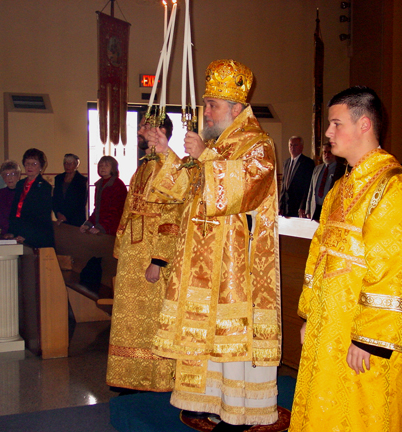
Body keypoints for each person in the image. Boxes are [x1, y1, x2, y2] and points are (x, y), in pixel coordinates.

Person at [290, 86, 402, 431]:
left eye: (336, 123)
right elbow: (320, 255)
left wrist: (368, 337)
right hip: (329, 326)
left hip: (364, 334)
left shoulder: (395, 186)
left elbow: (397, 266)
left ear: (364, 125)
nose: (328, 133)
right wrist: (311, 315)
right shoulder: (340, 188)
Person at [148, 59, 280, 430]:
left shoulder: (258, 144)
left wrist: (205, 157)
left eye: (212, 105)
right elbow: (184, 190)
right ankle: (203, 402)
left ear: (236, 109)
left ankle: (237, 412)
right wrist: (167, 153)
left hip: (234, 266)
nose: (206, 111)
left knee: (229, 338)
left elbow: (245, 190)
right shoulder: (215, 144)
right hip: (201, 261)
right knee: (202, 335)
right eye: (206, 104)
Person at [106, 114, 181, 393]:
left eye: (145, 126)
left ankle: (153, 377)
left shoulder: (170, 167)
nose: (140, 130)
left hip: (151, 254)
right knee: (128, 319)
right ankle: (129, 376)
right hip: (132, 255)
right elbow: (129, 210)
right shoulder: (144, 166)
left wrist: (158, 261)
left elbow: (172, 217)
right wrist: (121, 247)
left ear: (160, 131)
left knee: (151, 319)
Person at [8, 148, 54, 248]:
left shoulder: (44, 187)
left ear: (41, 167)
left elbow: (41, 216)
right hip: (19, 231)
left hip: (37, 235)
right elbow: (14, 210)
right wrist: (12, 231)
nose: (30, 167)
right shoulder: (20, 184)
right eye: (27, 164)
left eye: (34, 164)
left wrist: (26, 234)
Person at [80, 156, 127, 236]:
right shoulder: (100, 184)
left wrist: (102, 227)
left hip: (113, 229)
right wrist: (88, 224)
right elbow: (98, 209)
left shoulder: (117, 185)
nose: (103, 168)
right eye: (101, 165)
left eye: (106, 165)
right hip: (102, 227)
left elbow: (116, 211)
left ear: (113, 168)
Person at [299, 142, 345, 221]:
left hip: (331, 210)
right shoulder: (317, 169)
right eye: (324, 152)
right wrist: (308, 210)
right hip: (315, 209)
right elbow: (311, 190)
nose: (327, 155)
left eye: (329, 152)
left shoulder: (341, 170)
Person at [278, 136, 314, 217]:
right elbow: (283, 186)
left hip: (298, 206)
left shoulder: (307, 162)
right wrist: (280, 205)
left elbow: (307, 187)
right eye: (291, 145)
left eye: (295, 145)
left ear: (301, 147)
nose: (292, 147)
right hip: (286, 207)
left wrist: (303, 206)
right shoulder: (286, 162)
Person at [53, 154, 87, 227]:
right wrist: (58, 213)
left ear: (76, 165)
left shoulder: (82, 180)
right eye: (65, 163)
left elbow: (81, 202)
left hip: (76, 220)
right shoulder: (58, 178)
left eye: (70, 163)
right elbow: (55, 198)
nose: (67, 166)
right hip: (60, 218)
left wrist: (66, 216)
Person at [0, 160, 21, 236]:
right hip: (4, 233)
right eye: (6, 174)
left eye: (12, 174)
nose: (9, 178)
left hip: (21, 234)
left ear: (18, 176)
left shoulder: (24, 193)